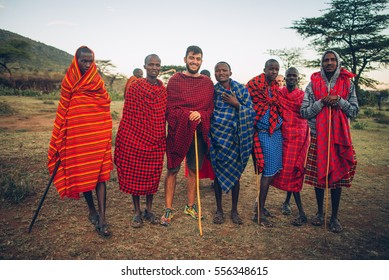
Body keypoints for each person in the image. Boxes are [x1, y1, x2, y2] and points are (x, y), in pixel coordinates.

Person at [47, 46, 113, 237]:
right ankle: (91, 209)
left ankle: (102, 218)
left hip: (97, 134)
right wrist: (62, 132)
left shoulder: (96, 80)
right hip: (77, 136)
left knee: (100, 176)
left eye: (90, 61)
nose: (87, 64)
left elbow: (105, 102)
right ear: (76, 61)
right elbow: (64, 107)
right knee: (84, 172)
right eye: (84, 61)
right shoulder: (69, 80)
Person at [301, 50, 358, 233]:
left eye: (333, 60)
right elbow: (304, 112)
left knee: (337, 179)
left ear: (338, 62)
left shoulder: (347, 83)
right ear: (322, 63)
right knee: (319, 178)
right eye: (326, 60)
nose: (329, 63)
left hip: (339, 137)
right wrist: (322, 102)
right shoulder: (313, 84)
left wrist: (339, 100)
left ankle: (334, 217)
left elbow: (354, 111)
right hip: (318, 136)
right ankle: (319, 213)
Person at [161, 45, 214, 226]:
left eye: (198, 59)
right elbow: (169, 109)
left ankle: (190, 206)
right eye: (192, 58)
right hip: (178, 130)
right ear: (185, 59)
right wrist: (187, 116)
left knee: (193, 169)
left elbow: (209, 109)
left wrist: (201, 115)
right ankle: (168, 209)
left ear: (201, 61)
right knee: (173, 169)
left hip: (198, 132)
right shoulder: (175, 80)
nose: (195, 62)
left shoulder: (206, 83)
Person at [114, 54, 166, 228]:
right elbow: (129, 114)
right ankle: (137, 212)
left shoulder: (162, 90)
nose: (154, 67)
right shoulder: (135, 87)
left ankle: (149, 210)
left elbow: (163, 114)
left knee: (152, 176)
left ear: (160, 67)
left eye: (157, 65)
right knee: (134, 174)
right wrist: (125, 137)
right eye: (151, 64)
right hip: (135, 138)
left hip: (156, 139)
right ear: (144, 67)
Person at [210, 62, 255, 225]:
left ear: (230, 72)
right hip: (217, 137)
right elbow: (209, 112)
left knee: (236, 175)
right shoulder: (212, 91)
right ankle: (219, 210)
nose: (221, 73)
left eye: (224, 70)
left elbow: (251, 112)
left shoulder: (240, 90)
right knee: (217, 174)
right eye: (218, 70)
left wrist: (237, 104)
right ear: (214, 73)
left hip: (236, 139)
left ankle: (234, 210)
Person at [246, 59, 283, 227]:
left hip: (276, 133)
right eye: (271, 69)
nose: (274, 72)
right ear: (265, 69)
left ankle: (259, 205)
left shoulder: (275, 87)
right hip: (262, 134)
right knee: (267, 172)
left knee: (273, 171)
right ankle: (259, 213)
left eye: (276, 69)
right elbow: (247, 106)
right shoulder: (254, 84)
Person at [272, 67, 310, 226]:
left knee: (295, 170)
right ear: (285, 78)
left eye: (294, 75)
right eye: (289, 75)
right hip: (283, 136)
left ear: (298, 78)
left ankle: (301, 213)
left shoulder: (303, 96)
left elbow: (307, 114)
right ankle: (287, 203)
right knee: (286, 170)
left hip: (299, 137)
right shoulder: (279, 94)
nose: (291, 78)